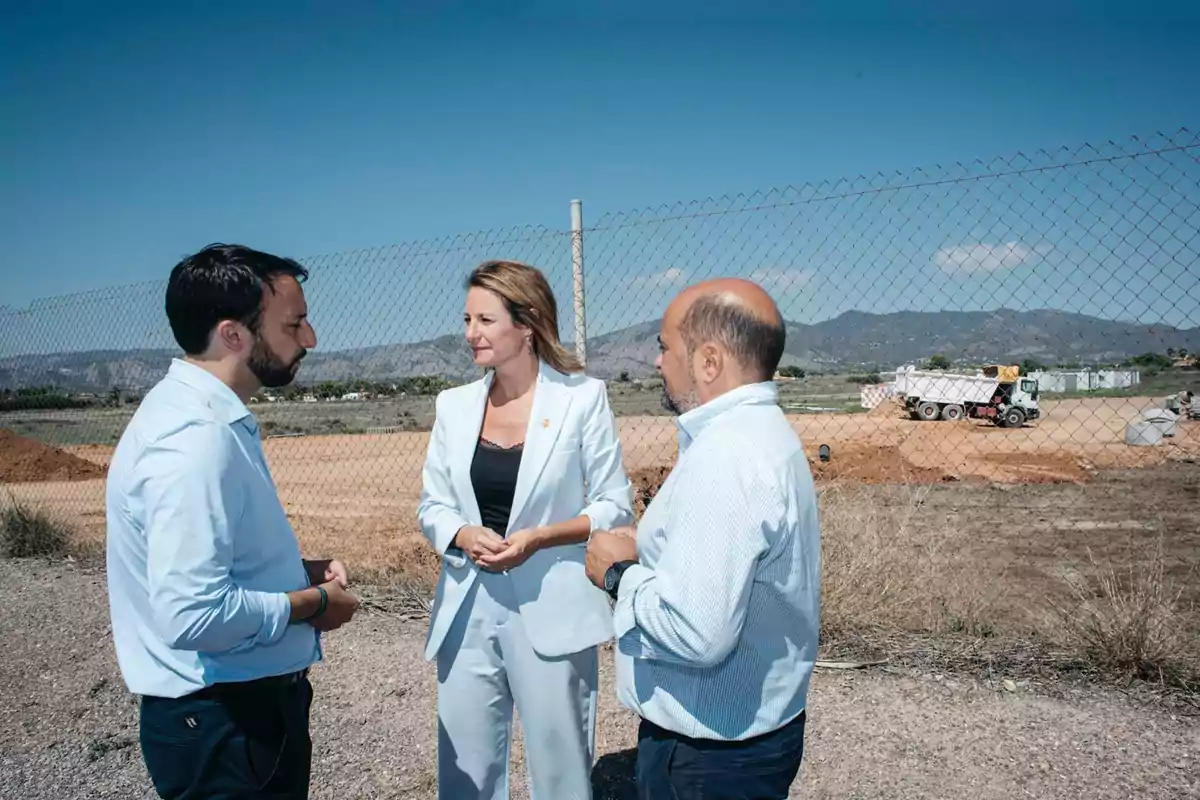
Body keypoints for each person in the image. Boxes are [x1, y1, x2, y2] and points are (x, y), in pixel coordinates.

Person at [105, 243, 360, 800]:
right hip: (224, 721)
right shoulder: (196, 441)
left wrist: (293, 572)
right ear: (234, 335)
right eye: (294, 324)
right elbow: (192, 614)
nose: (310, 339)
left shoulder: (195, 417)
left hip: (228, 714)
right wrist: (313, 603)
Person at [585, 278, 821, 800]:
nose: (657, 361)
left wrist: (618, 573)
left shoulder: (726, 457)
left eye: (665, 346)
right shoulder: (761, 433)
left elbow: (698, 633)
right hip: (753, 734)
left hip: (707, 754)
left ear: (708, 361)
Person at [417, 259, 634, 799]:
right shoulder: (453, 406)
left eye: (485, 320)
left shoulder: (583, 399)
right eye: (467, 319)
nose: (471, 333)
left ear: (528, 321)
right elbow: (433, 506)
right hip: (467, 609)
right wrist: (463, 535)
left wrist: (540, 538)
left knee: (560, 770)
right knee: (466, 772)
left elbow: (614, 507)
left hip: (553, 606)